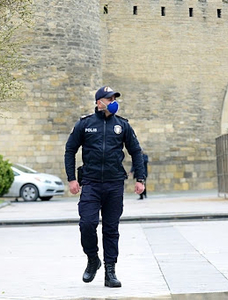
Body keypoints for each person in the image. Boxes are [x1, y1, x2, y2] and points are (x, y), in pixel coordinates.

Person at [64, 86, 146, 288]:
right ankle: (93, 259)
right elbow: (70, 150)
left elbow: (136, 151)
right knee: (87, 224)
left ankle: (110, 272)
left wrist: (140, 179)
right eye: (109, 98)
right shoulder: (85, 124)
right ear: (99, 102)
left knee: (111, 229)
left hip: (114, 184)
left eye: (114, 98)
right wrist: (71, 179)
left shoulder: (122, 125)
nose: (113, 101)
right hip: (90, 183)